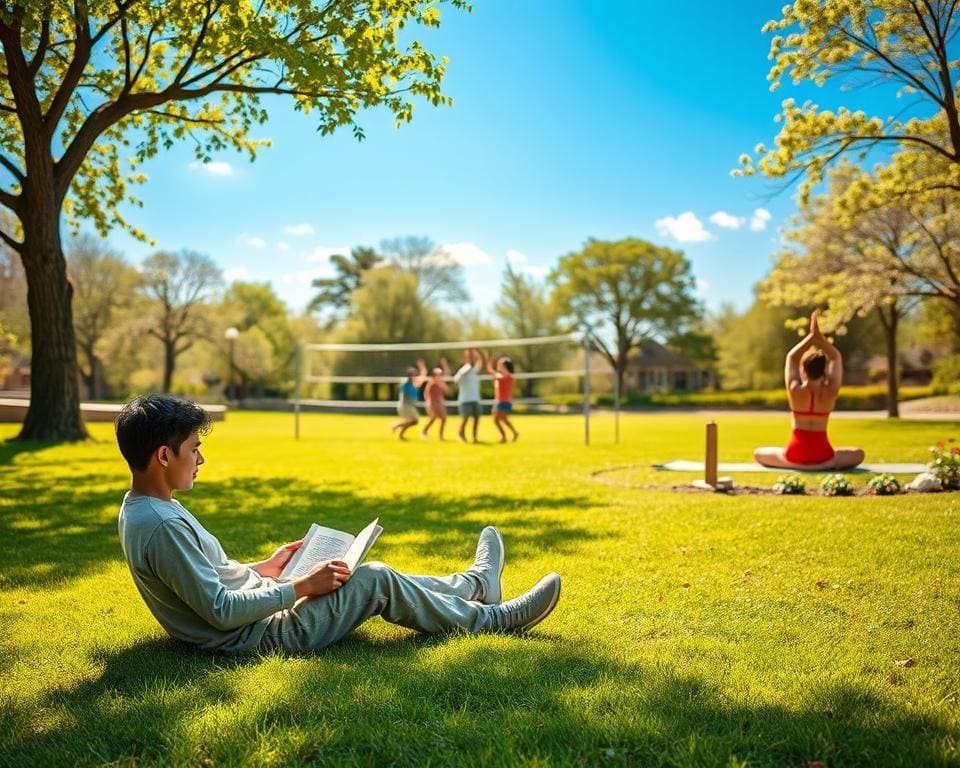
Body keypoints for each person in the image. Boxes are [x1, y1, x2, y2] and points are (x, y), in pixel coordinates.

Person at [115, 395, 562, 655]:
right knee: (375, 578)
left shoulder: (145, 507)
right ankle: (493, 618)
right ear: (163, 455)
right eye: (194, 449)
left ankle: (475, 585)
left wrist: (268, 567)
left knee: (366, 574)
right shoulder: (161, 525)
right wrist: (300, 587)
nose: (201, 458)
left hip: (260, 608)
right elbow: (217, 610)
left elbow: (204, 580)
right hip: (265, 634)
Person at [754, 312, 865, 470]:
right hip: (823, 456)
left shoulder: (794, 390)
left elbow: (791, 357)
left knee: (758, 453)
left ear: (803, 370)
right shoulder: (831, 391)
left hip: (794, 455)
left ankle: (797, 465)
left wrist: (810, 337)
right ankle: (824, 465)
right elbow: (836, 357)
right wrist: (820, 339)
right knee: (859, 454)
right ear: (825, 370)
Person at [453, 347, 485, 443]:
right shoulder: (463, 370)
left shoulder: (474, 370)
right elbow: (455, 380)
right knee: (465, 418)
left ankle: (475, 437)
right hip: (465, 399)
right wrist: (463, 373)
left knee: (476, 418)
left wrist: (476, 351)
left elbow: (480, 360)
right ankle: (461, 434)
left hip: (475, 399)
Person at [486, 352, 519, 443]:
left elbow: (490, 370)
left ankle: (505, 436)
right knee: (501, 419)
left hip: (504, 401)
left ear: (505, 366)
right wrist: (490, 361)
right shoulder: (505, 376)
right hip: (500, 400)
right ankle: (513, 433)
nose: (498, 365)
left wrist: (490, 361)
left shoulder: (505, 377)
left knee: (497, 419)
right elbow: (490, 371)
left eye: (500, 364)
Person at [419, 356, 450, 440]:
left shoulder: (440, 382)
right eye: (438, 374)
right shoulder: (432, 383)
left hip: (439, 403)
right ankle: (424, 431)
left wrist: (444, 364)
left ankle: (440, 435)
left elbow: (446, 389)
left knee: (443, 419)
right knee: (433, 418)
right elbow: (426, 394)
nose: (440, 375)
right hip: (432, 403)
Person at [391, 365, 425, 440]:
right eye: (414, 374)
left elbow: (421, 378)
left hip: (408, 406)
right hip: (405, 406)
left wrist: (422, 369)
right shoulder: (406, 383)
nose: (415, 376)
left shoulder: (412, 383)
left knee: (413, 421)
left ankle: (400, 433)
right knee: (415, 421)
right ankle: (397, 426)